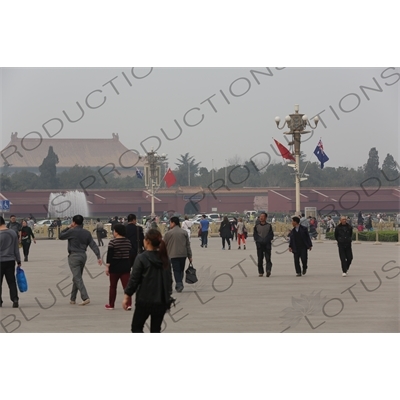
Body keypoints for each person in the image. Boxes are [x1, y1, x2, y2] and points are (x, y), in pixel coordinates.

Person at [123, 229, 173, 333]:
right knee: (156, 329)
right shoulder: (165, 258)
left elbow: (134, 279)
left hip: (144, 300)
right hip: (161, 300)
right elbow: (169, 280)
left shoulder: (141, 258)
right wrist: (167, 296)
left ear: (147, 241)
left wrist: (127, 295)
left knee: (136, 327)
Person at [59, 214, 102, 305]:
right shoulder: (86, 233)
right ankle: (72, 299)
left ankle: (85, 297)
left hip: (74, 256)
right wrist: (98, 256)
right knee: (77, 277)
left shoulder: (72, 231)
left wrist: (68, 227)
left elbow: (61, 236)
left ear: (74, 222)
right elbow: (93, 245)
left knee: (77, 277)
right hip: (83, 256)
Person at [105, 224, 132, 310]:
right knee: (127, 287)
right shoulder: (128, 241)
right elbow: (130, 253)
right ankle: (128, 304)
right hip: (125, 266)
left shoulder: (113, 242)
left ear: (116, 232)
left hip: (115, 267)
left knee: (113, 286)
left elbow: (110, 256)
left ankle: (111, 305)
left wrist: (107, 267)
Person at [163, 216, 192, 292]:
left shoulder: (168, 233)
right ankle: (179, 282)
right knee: (181, 269)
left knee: (176, 270)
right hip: (183, 254)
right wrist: (190, 256)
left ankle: (179, 284)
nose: (170, 224)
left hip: (173, 255)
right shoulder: (184, 232)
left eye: (170, 223)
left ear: (173, 223)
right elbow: (187, 245)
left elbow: (163, 245)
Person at [0, 216, 22, 308]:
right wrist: (18, 260)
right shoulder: (12, 233)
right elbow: (16, 248)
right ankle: (15, 299)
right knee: (12, 281)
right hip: (10, 261)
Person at [253, 212, 274, 277]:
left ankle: (268, 270)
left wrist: (266, 240)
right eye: (260, 216)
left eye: (263, 216)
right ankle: (261, 272)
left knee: (268, 258)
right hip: (259, 245)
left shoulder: (269, 226)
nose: (261, 218)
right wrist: (260, 240)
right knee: (260, 259)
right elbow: (255, 236)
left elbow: (271, 235)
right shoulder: (256, 226)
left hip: (267, 245)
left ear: (266, 218)